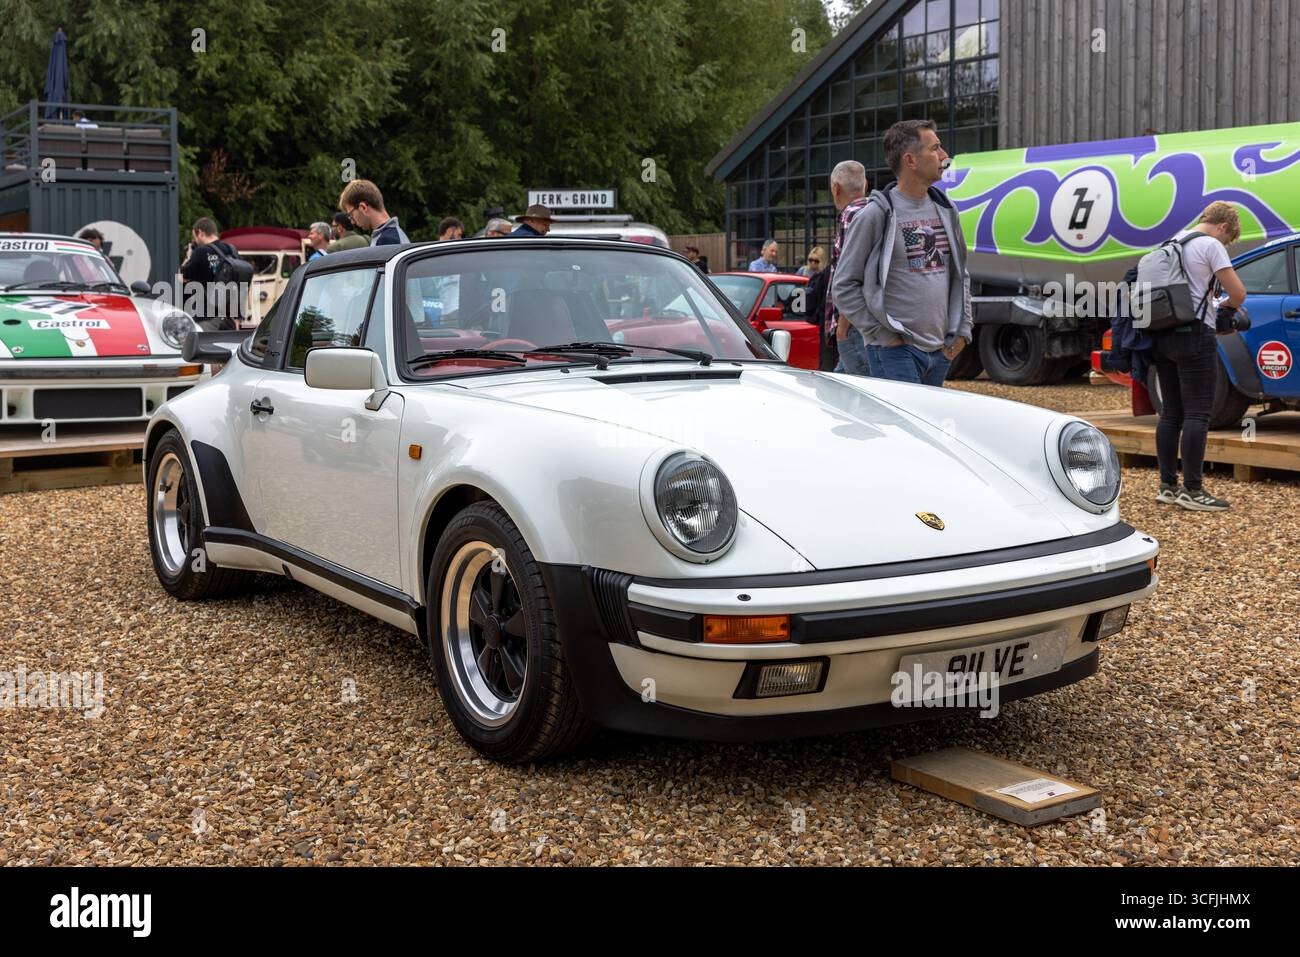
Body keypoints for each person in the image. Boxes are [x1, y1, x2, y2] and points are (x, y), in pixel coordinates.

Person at [833, 120, 972, 386]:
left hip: (939, 351)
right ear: (911, 160)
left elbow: (961, 274)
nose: (944, 156)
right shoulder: (875, 215)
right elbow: (844, 286)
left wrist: (962, 332)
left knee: (925, 426)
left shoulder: (947, 209)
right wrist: (882, 336)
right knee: (898, 427)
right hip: (895, 352)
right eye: (935, 148)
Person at [1150, 201, 1246, 511]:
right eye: (1228, 239)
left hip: (1162, 333)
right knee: (1197, 413)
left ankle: (1167, 485)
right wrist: (1227, 310)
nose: (1225, 244)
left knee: (1172, 414)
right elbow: (1238, 293)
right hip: (1194, 336)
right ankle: (1193, 490)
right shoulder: (1210, 245)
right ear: (1222, 228)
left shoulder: (1173, 241)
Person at [822, 160, 870, 373]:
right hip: (868, 325)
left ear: (835, 188)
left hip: (853, 327)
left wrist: (841, 329)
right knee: (838, 391)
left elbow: (850, 276)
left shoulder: (850, 216)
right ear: (865, 185)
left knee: (859, 398)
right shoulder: (876, 212)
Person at [180, 217, 241, 330]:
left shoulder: (201, 252)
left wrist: (188, 257)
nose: (196, 241)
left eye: (195, 237)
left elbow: (181, 277)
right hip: (229, 319)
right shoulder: (231, 250)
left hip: (205, 318)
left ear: (201, 233)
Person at [338, 179, 409, 246]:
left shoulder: (386, 241)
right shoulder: (389, 235)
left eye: (351, 214)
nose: (353, 222)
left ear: (363, 207)